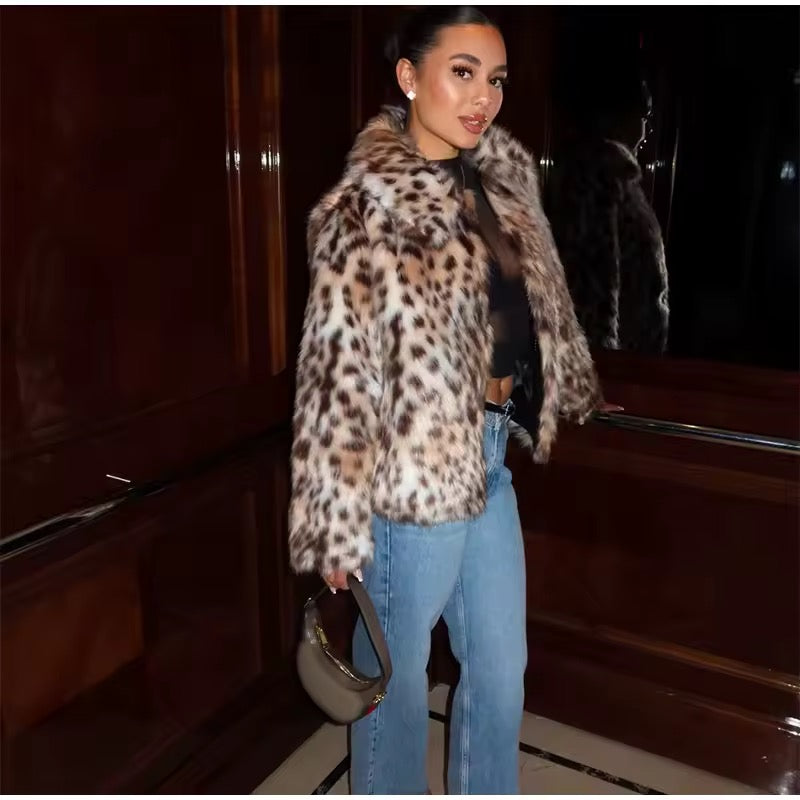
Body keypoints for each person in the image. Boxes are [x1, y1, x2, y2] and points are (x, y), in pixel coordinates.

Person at [288, 7, 613, 794]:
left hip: (490, 460)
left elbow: (529, 316)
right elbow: (333, 373)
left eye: (495, 79)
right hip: (409, 481)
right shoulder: (362, 211)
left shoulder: (499, 189)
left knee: (500, 673)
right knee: (394, 690)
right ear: (409, 76)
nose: (483, 98)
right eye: (461, 72)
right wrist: (334, 520)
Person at [548, 65, 670, 353]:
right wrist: (605, 365)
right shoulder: (597, 175)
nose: (646, 131)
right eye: (644, 117)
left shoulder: (612, 177)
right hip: (615, 367)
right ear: (620, 116)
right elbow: (592, 288)